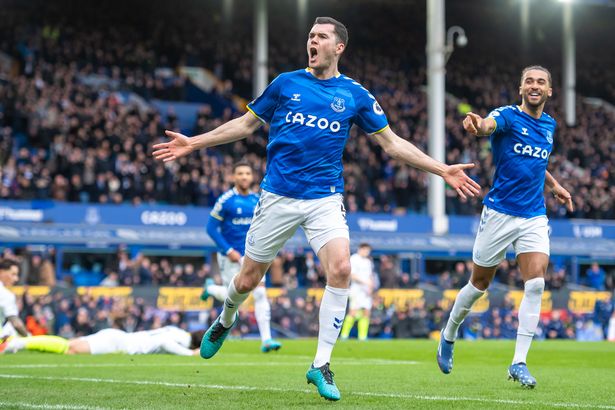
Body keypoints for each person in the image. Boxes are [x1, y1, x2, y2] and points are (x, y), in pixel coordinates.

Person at [152, 17, 480, 401]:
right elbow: (244, 126)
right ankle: (226, 319)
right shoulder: (285, 83)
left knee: (341, 269)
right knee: (246, 281)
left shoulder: (355, 95)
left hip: (324, 198)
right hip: (277, 196)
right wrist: (193, 143)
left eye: (321, 36)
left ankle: (320, 364)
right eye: (310, 36)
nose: (313, 41)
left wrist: (442, 169)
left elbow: (392, 145)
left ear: (338, 47)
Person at [437, 65, 574, 389]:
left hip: (533, 215)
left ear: (550, 91)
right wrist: (477, 124)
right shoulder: (508, 116)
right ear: (521, 88)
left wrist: (552, 185)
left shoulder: (550, 125)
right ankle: (450, 332)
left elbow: (537, 162)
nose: (535, 86)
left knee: (536, 283)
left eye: (541, 81)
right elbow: (487, 125)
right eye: (529, 81)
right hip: (499, 213)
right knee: (479, 284)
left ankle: (519, 362)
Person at [201, 161, 281, 353]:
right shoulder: (226, 200)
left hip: (252, 256)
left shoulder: (257, 200)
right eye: (240, 173)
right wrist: (229, 251)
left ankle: (267, 340)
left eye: (247, 173)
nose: (244, 177)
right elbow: (211, 228)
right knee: (236, 299)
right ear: (233, 177)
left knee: (261, 293)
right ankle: (211, 288)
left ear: (252, 177)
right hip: (229, 257)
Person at [1, 325, 204, 356]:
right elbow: (163, 343)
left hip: (118, 336)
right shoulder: (183, 342)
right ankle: (15, 343)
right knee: (69, 348)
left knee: (68, 344)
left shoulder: (178, 331)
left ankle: (17, 341)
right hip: (119, 343)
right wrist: (190, 353)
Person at [340, 243, 377, 341]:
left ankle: (362, 336)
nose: (367, 252)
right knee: (353, 312)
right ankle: (344, 335)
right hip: (356, 289)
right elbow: (352, 275)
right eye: (365, 250)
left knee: (366, 312)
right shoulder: (354, 259)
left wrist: (370, 287)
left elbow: (370, 276)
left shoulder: (368, 262)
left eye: (368, 250)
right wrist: (365, 282)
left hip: (366, 290)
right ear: (360, 249)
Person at [0, 259, 30, 341]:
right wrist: (29, 339)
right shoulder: (5, 294)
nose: (16, 279)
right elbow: (16, 324)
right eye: (13, 274)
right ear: (1, 272)